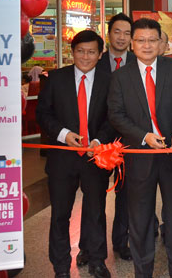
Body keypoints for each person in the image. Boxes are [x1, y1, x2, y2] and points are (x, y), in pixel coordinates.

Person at [107, 18, 172, 278]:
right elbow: (116, 114)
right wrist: (144, 136)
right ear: (132, 44)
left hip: (171, 154)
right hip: (139, 156)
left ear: (161, 43)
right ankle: (142, 272)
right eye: (141, 40)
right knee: (141, 219)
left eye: (152, 40)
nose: (146, 45)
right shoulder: (120, 77)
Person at [36, 30, 116, 278]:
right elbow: (43, 114)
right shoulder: (55, 79)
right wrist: (63, 133)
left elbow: (114, 116)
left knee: (95, 212)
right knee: (60, 214)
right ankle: (61, 267)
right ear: (72, 52)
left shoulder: (110, 80)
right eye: (80, 51)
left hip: (95, 156)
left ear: (100, 54)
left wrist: (99, 139)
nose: (85, 56)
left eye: (91, 51)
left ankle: (97, 260)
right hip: (62, 157)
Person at [96, 12, 136, 261]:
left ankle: (121, 243)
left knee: (125, 195)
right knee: (94, 197)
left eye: (127, 33)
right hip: (99, 140)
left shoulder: (138, 61)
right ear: (108, 34)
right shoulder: (94, 61)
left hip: (128, 139)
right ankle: (92, 248)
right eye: (117, 32)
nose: (121, 37)